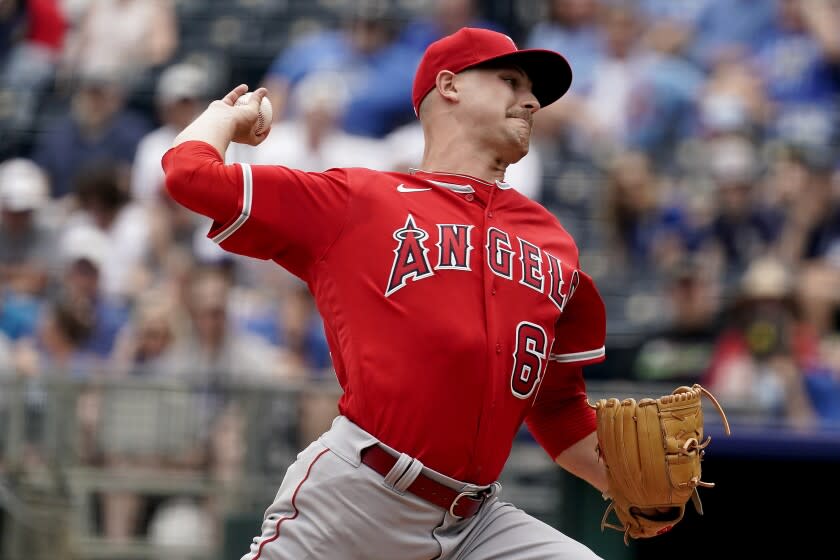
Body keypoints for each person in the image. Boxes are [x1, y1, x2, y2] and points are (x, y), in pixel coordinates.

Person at [163, 27, 611, 560]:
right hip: (356, 502)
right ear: (449, 86)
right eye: (510, 81)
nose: (532, 100)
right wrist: (226, 116)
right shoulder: (359, 202)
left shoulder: (554, 243)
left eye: (532, 91)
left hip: (477, 524)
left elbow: (559, 410)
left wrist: (625, 483)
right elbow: (189, 174)